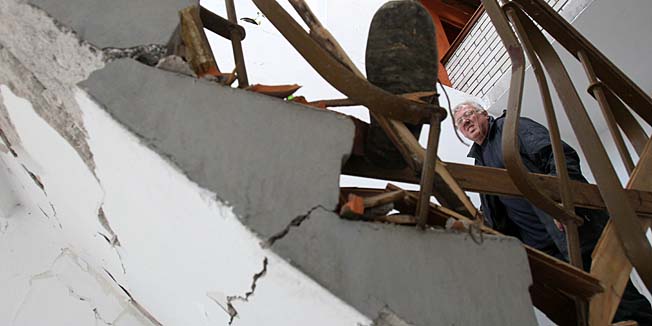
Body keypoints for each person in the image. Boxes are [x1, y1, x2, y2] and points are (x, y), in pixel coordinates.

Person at [453, 101, 652, 324]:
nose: (466, 121)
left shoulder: (512, 128)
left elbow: (558, 155)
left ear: (484, 114)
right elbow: (495, 215)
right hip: (543, 251)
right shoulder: (480, 160)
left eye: (469, 114)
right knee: (580, 311)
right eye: (460, 121)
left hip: (569, 231)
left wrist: (562, 202)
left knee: (615, 295)